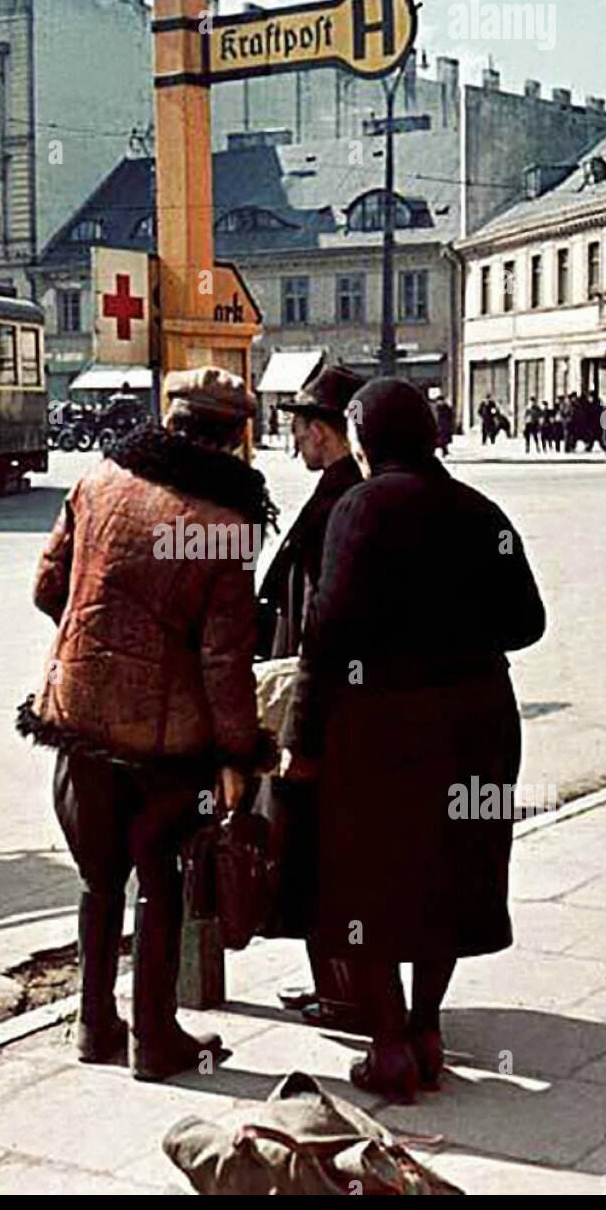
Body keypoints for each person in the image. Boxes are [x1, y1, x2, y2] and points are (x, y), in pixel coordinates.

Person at [281, 379, 546, 1102]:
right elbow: (526, 623)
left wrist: (300, 741)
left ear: (364, 439)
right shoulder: (479, 509)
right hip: (480, 721)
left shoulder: (359, 506)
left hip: (379, 727)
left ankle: (390, 1043)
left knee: (363, 876)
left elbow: (324, 633)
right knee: (454, 870)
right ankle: (426, 1028)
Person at [18, 366, 273, 1080]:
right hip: (167, 746)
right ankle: (153, 1039)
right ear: (232, 438)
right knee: (159, 880)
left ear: (171, 418)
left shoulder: (96, 482)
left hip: (78, 718)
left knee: (99, 880)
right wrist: (239, 754)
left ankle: (93, 1024)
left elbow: (47, 589)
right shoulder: (228, 524)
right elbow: (225, 656)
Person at [256, 365, 366, 1031]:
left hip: (320, 698)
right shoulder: (338, 490)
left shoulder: (345, 498)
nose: (293, 442)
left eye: (299, 429)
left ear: (325, 432)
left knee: (320, 853)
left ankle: (347, 993)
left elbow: (330, 615)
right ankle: (337, 983)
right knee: (316, 852)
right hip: (317, 688)